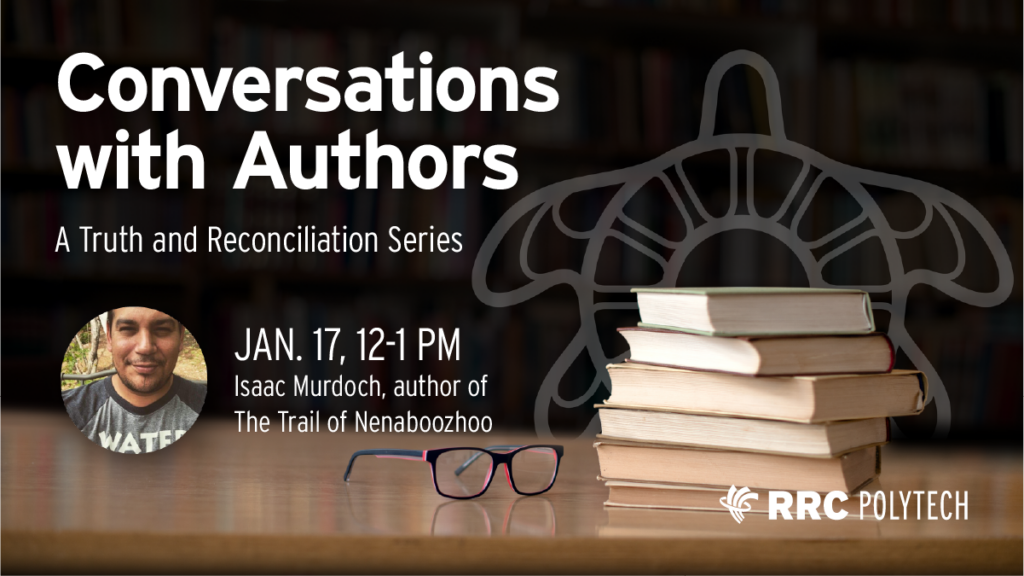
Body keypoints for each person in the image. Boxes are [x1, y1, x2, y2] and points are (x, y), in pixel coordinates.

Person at [61, 307, 206, 454]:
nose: (145, 347)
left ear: (181, 336)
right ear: (110, 337)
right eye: (128, 329)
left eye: (162, 329)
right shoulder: (70, 411)